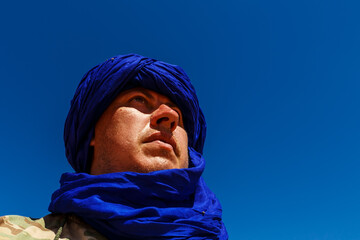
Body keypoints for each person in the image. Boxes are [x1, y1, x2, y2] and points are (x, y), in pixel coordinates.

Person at [0, 54, 228, 239]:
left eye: (177, 113)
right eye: (138, 99)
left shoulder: (210, 231)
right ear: (92, 132)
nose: (169, 116)